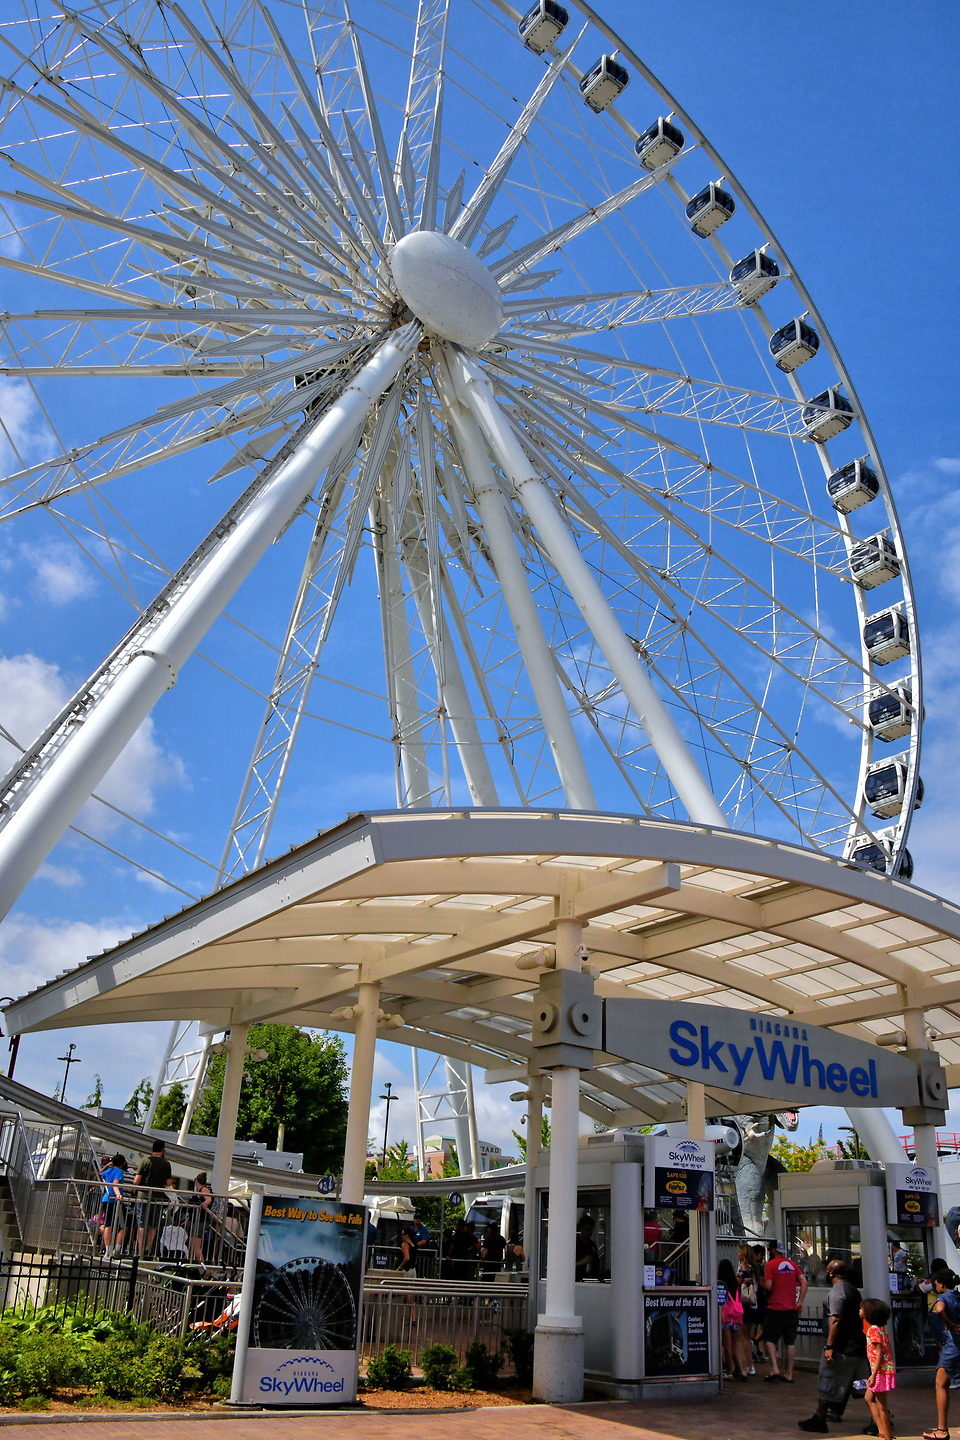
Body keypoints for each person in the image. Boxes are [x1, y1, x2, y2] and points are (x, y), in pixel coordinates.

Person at [797, 1259, 866, 1432]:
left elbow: (835, 1320)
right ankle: (879, 1417)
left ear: (830, 1273)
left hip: (842, 1348)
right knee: (863, 1386)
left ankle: (820, 1418)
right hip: (856, 1346)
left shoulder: (837, 1292)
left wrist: (829, 1346)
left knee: (827, 1382)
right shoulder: (852, 1290)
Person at [763, 1237, 808, 1382]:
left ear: (773, 1250)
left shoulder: (770, 1265)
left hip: (775, 1307)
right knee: (790, 1342)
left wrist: (761, 1283)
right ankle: (789, 1374)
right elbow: (804, 1282)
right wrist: (799, 1301)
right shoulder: (793, 1264)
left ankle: (774, 1368)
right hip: (791, 1309)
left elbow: (769, 1286)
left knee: (770, 1339)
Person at [923, 1267, 960, 1440]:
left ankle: (942, 1429)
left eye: (936, 1282)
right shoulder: (958, 1295)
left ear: (941, 1283)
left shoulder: (943, 1297)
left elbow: (939, 1309)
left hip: (953, 1345)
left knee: (941, 1382)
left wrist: (950, 1324)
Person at [132, 1138, 172, 1257]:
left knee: (141, 1223)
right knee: (153, 1224)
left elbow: (136, 1181)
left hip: (143, 1195)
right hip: (157, 1197)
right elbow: (168, 1183)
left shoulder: (145, 1161)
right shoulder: (166, 1164)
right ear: (163, 1150)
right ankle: (149, 1248)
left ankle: (139, 1251)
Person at [862, 1297, 895, 1440]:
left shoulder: (873, 1330)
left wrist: (873, 1374)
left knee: (882, 1406)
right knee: (869, 1398)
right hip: (882, 1370)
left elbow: (879, 1352)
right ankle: (882, 1431)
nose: (860, 1311)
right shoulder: (881, 1328)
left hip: (880, 1372)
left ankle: (887, 1435)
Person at [718, 1257, 749, 1380]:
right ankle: (742, 1369)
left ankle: (730, 1369)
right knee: (737, 1342)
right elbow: (739, 1298)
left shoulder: (720, 1283)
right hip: (737, 1315)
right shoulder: (736, 1283)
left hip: (725, 1315)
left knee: (727, 1344)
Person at [99, 1152, 127, 1256]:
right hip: (115, 1200)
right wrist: (118, 1194)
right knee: (122, 1226)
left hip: (106, 1199)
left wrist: (107, 1165)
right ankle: (117, 1249)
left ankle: (107, 1250)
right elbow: (115, 1183)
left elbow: (99, 1173)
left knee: (108, 1225)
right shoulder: (119, 1171)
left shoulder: (108, 1171)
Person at [189, 1171, 213, 1264]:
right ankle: (193, 1265)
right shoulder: (200, 1190)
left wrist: (205, 1203)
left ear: (196, 1181)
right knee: (193, 1245)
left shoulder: (203, 1189)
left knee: (196, 1246)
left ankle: (202, 1268)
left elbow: (208, 1199)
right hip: (196, 1219)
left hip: (200, 1220)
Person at [575, 1215, 600, 1279]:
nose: (589, 1232)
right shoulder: (574, 1244)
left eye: (591, 1229)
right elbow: (566, 1266)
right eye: (587, 1229)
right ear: (581, 1228)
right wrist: (582, 1262)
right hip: (578, 1278)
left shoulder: (592, 1245)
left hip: (592, 1278)